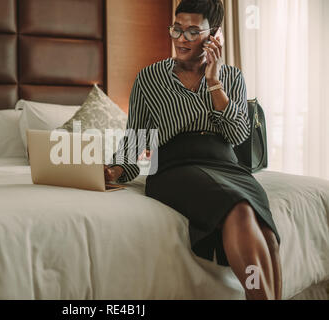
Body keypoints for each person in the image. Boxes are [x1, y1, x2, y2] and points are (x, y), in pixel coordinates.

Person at [104, 0, 282, 300]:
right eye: (176, 29)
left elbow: (238, 135)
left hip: (227, 166)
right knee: (238, 209)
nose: (180, 39)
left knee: (268, 235)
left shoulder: (232, 77)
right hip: (175, 166)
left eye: (191, 31)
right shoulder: (150, 78)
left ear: (213, 35)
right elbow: (134, 142)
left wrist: (214, 83)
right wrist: (115, 169)